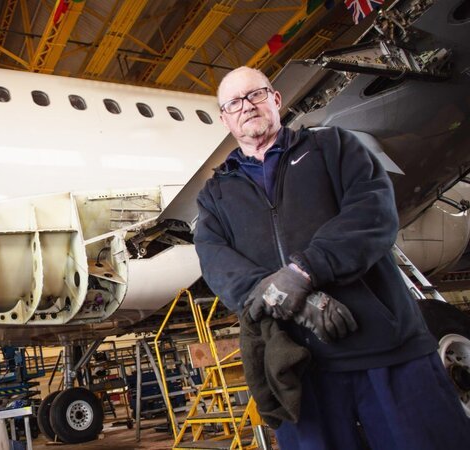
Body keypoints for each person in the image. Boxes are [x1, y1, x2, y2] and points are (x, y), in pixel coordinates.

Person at [193, 66, 470, 449]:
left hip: (388, 353)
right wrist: (291, 298)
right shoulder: (215, 194)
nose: (247, 107)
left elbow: (372, 214)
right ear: (225, 118)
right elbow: (216, 262)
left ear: (275, 99)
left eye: (255, 95)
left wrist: (304, 272)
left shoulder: (334, 147)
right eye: (235, 102)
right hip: (297, 369)